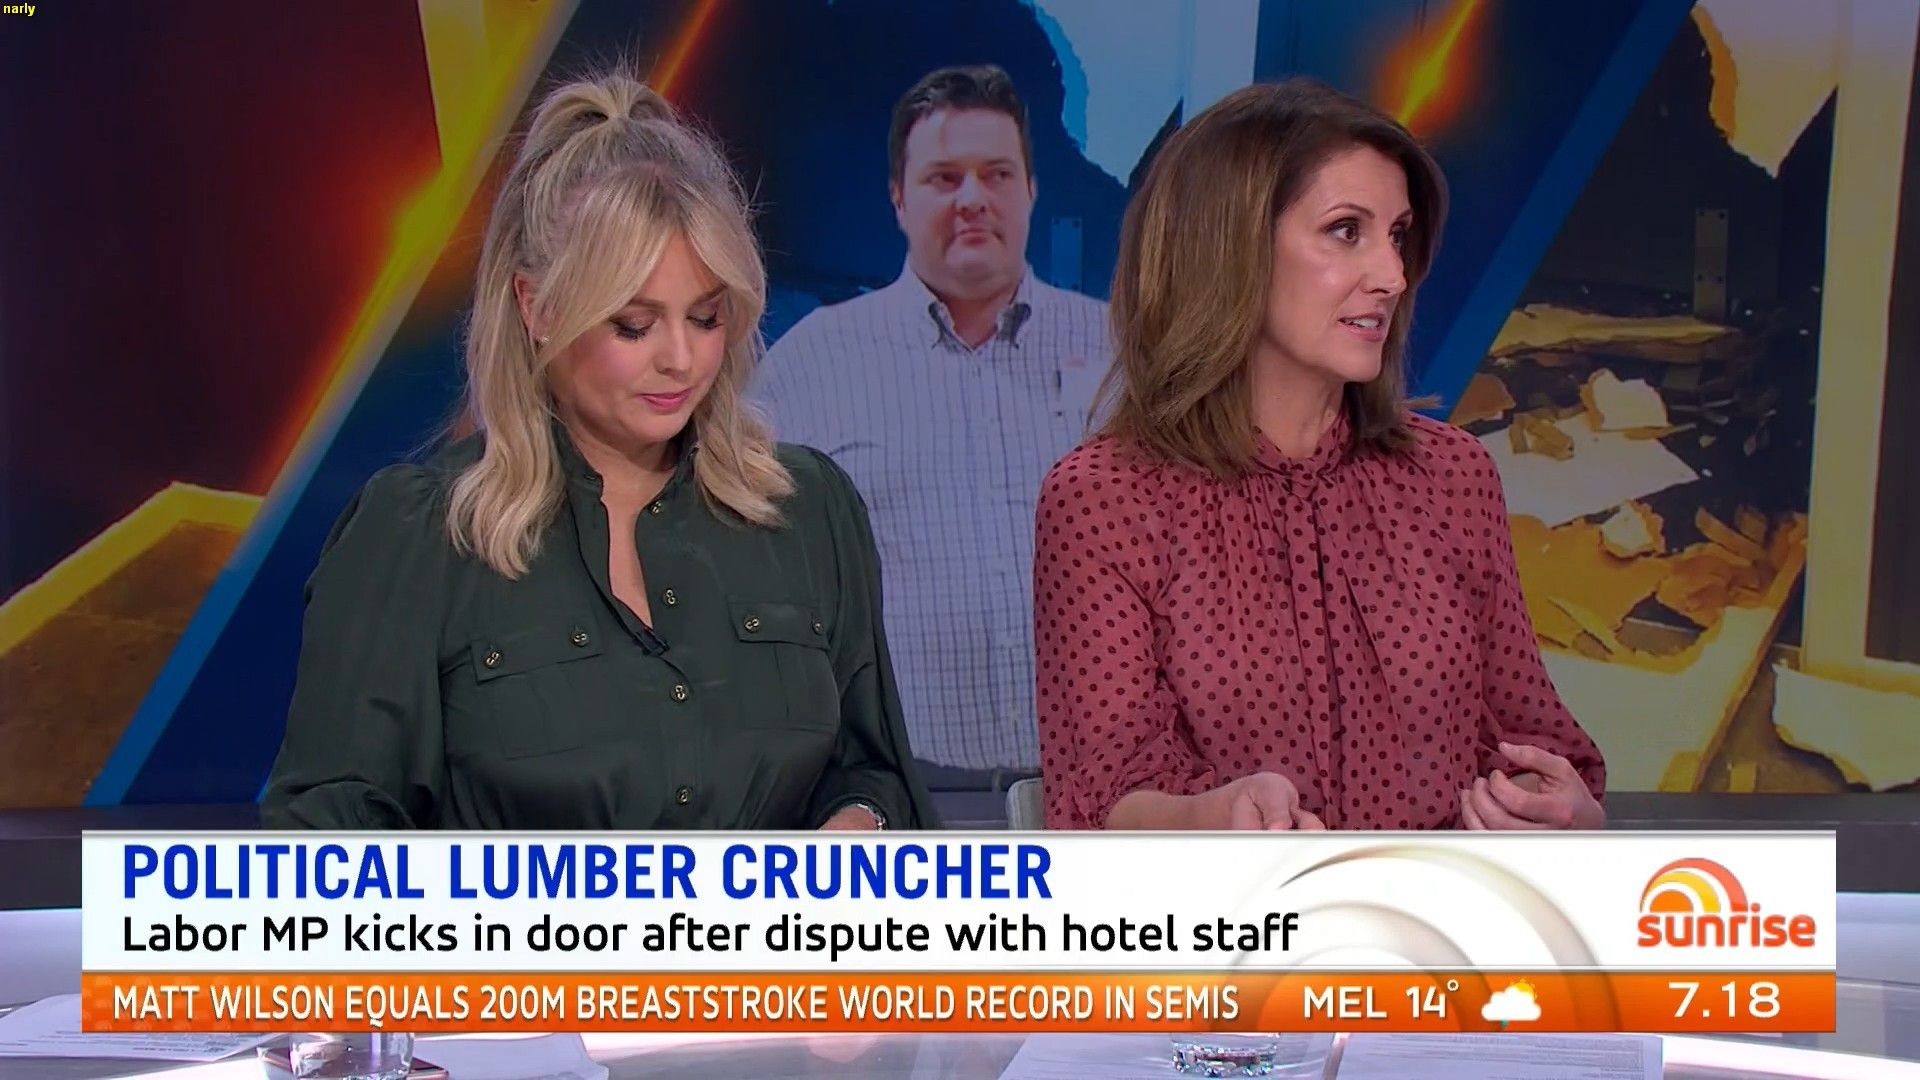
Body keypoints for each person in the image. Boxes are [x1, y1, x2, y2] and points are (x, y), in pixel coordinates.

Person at [262, 72, 935, 832]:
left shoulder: (808, 512)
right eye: (633, 325)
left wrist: (858, 821)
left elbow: (874, 771)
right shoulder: (421, 536)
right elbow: (327, 831)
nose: (680, 359)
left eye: (706, 317)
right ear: (537, 307)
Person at [1034, 79, 1606, 832]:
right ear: (1228, 249)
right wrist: (1214, 821)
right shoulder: (1105, 499)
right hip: (1228, 912)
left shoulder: (1452, 476)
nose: (1392, 276)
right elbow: (1101, 804)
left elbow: (1531, 743)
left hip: (1438, 906)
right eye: (1345, 231)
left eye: (1397, 235)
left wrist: (1562, 814)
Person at [756, 65, 1111, 789]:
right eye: (945, 178)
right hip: (899, 788)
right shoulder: (811, 363)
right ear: (898, 196)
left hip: (1100, 786)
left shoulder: (1120, 351)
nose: (973, 199)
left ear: (1031, 189)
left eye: (997, 174)